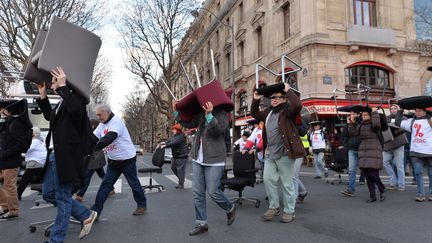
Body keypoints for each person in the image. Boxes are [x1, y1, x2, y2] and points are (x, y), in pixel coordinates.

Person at [36, 67, 98, 241]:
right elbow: (50, 117)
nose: (51, 83)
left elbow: (77, 111)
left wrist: (62, 86)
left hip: (66, 157)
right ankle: (86, 214)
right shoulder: (62, 102)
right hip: (55, 155)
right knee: (48, 193)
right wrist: (43, 96)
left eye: (54, 80)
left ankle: (56, 239)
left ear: (65, 81)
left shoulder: (76, 100)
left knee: (63, 199)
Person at [173, 100, 236, 236]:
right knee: (198, 193)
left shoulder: (221, 113)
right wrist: (177, 112)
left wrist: (209, 116)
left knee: (213, 192)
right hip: (198, 158)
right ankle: (201, 223)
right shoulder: (200, 113)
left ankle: (230, 207)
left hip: (214, 159)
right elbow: (188, 124)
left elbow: (219, 131)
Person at [251, 83, 305, 223]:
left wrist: (288, 90)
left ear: (284, 99)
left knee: (287, 183)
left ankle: (289, 211)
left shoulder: (288, 112)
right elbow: (255, 114)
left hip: (285, 153)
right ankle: (274, 207)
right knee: (268, 179)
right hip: (271, 153)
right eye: (272, 97)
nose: (274, 99)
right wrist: (256, 99)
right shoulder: (268, 112)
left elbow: (297, 105)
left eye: (277, 97)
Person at [91, 104, 147, 216]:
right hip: (113, 161)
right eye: (97, 115)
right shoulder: (102, 125)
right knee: (105, 186)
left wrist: (94, 148)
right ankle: (95, 211)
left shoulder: (117, 122)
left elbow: (109, 137)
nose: (98, 118)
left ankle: (141, 205)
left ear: (107, 112)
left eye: (100, 115)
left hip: (127, 159)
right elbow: (92, 138)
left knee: (134, 184)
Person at [0, 99, 32, 220]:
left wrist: (4, 154)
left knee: (9, 186)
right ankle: (5, 207)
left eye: (2, 109)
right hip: (3, 161)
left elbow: (22, 144)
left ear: (8, 110)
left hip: (10, 161)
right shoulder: (7, 122)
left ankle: (13, 210)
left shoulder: (16, 124)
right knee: (5, 186)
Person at [349, 107, 386, 203]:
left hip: (374, 149)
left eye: (366, 115)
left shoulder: (374, 123)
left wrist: (374, 112)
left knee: (373, 174)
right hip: (363, 150)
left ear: (370, 115)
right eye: (363, 115)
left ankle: (382, 188)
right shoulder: (361, 124)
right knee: (367, 174)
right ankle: (372, 195)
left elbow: (377, 125)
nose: (364, 117)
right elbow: (353, 133)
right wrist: (352, 122)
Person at [396, 106, 432, 202]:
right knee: (417, 172)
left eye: (419, 111)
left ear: (424, 111)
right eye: (416, 111)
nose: (417, 112)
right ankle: (421, 194)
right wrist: (400, 111)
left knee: (431, 174)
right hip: (415, 151)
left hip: (430, 151)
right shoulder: (411, 121)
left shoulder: (430, 120)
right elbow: (397, 123)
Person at [75, 119, 114, 202]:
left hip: (93, 159)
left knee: (87, 177)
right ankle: (111, 189)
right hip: (96, 158)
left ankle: (80, 195)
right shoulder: (95, 133)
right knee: (102, 175)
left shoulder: (93, 134)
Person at [382, 104, 408, 191]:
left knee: (399, 165)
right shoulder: (386, 118)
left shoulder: (403, 118)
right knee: (385, 162)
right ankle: (393, 180)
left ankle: (401, 184)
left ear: (398, 109)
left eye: (395, 108)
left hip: (399, 143)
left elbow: (400, 126)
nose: (393, 110)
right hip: (388, 144)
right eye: (391, 108)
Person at [17, 127, 47, 200]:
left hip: (35, 162)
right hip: (40, 162)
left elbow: (26, 148)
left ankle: (17, 195)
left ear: (33, 134)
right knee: (39, 178)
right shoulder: (39, 140)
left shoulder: (34, 141)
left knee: (25, 179)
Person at [341, 111, 365, 197]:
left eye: (354, 114)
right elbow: (344, 135)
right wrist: (348, 124)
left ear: (358, 114)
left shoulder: (361, 123)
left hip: (361, 148)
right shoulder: (349, 124)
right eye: (351, 114)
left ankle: (373, 187)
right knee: (351, 170)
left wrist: (354, 122)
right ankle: (350, 189)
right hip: (351, 148)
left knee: (366, 168)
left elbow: (358, 132)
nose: (352, 115)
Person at [159, 124, 189, 189]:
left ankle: (181, 184)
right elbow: (169, 141)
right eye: (173, 129)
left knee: (180, 169)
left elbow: (174, 143)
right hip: (175, 155)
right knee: (173, 167)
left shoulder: (181, 136)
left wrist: (165, 146)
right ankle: (181, 179)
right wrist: (162, 143)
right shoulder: (173, 136)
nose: (173, 130)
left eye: (174, 129)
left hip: (182, 155)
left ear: (178, 130)